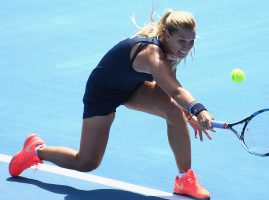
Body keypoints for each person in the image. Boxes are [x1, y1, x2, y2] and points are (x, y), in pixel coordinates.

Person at [9, 10, 215, 200]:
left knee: (173, 112)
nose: (187, 47)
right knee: (86, 162)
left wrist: (188, 115)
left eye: (191, 41)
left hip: (133, 87)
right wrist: (198, 109)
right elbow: (176, 91)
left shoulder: (170, 51)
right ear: (167, 35)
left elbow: (167, 89)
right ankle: (36, 150)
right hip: (103, 93)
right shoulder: (154, 55)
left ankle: (184, 179)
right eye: (182, 41)